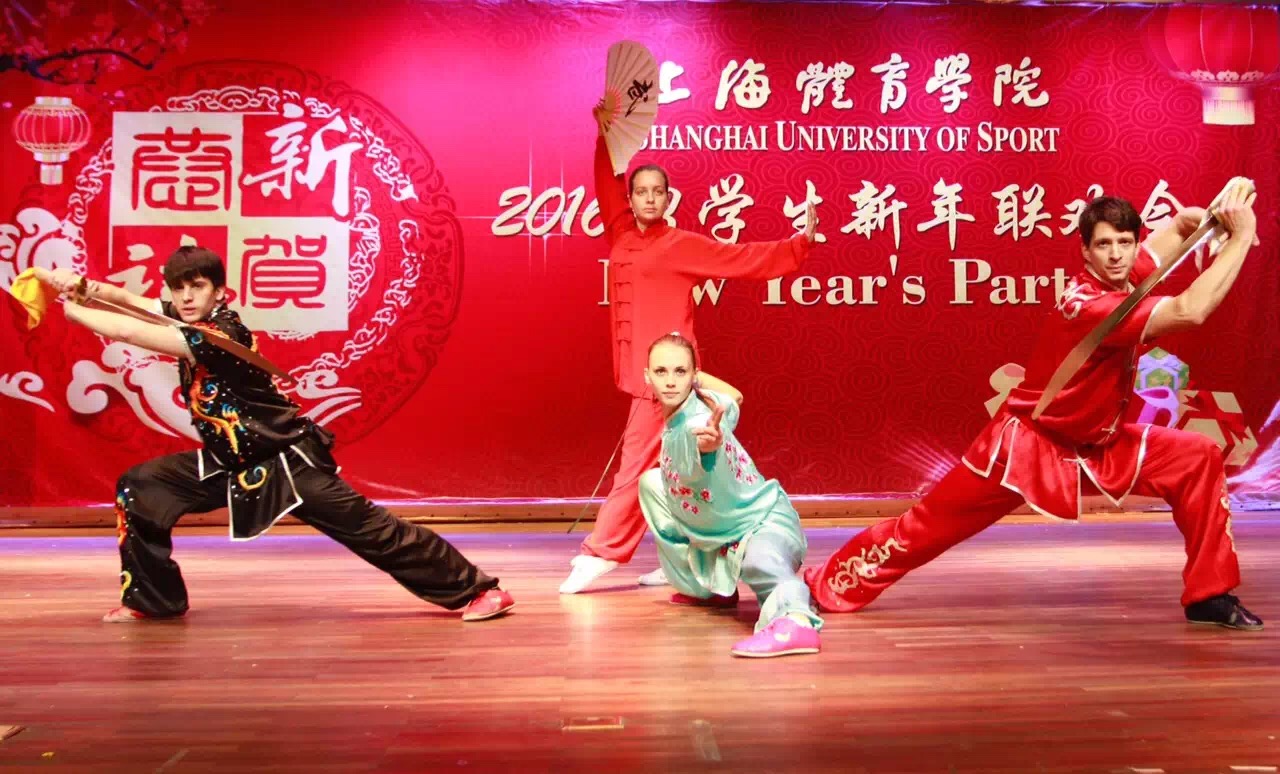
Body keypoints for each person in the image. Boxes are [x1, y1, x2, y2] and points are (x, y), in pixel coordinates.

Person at [804, 181, 1262, 631]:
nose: (1117, 255)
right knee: (925, 527)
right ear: (1085, 253)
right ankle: (826, 584)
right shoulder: (1091, 306)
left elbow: (1163, 245)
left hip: (1096, 444)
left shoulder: (1117, 278)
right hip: (1027, 446)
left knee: (1197, 456)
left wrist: (1191, 223)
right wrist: (1240, 238)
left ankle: (1209, 594)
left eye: (1125, 243)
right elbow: (1189, 311)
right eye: (1104, 245)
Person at [32, 246, 515, 623]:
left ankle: (478, 590)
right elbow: (133, 304)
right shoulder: (186, 315)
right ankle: (153, 600)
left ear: (220, 293)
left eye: (197, 287)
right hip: (230, 460)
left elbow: (132, 332)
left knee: (373, 532)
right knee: (140, 485)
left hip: (283, 460)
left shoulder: (223, 335)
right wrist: (81, 286)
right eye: (178, 289)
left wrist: (72, 310)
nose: (186, 298)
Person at [561, 101, 818, 594]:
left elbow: (741, 258)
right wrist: (605, 136)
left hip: (671, 379)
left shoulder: (681, 244)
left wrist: (797, 244)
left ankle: (602, 552)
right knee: (678, 469)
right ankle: (688, 556)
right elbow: (606, 184)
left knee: (637, 467)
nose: (649, 199)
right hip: (644, 375)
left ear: (668, 198)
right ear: (631, 198)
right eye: (640, 192)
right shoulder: (620, 234)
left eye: (657, 192)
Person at [637, 333, 822, 657]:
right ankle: (709, 590)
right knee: (652, 483)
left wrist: (706, 446)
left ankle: (796, 623)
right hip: (721, 530)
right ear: (647, 376)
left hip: (761, 523)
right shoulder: (711, 401)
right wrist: (687, 364)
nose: (670, 382)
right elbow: (734, 397)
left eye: (680, 371)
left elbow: (699, 447)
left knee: (760, 565)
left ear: (695, 375)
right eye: (661, 371)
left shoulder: (697, 421)